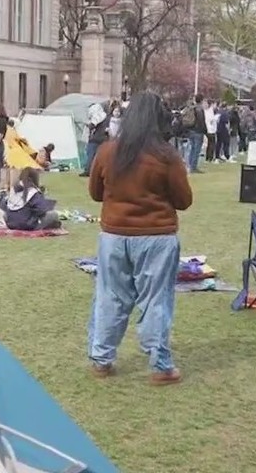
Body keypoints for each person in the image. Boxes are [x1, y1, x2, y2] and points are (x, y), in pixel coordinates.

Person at [87, 91, 192, 385]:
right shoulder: (166, 156)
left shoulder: (108, 151)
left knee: (109, 297)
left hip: (114, 235)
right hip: (156, 237)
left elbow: (96, 193)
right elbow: (183, 200)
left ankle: (102, 359)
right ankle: (160, 365)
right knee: (155, 300)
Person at [80, 101, 109, 177]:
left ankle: (88, 170)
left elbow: (92, 125)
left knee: (90, 155)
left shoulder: (97, 115)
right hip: (104, 138)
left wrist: (87, 124)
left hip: (95, 138)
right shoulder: (105, 116)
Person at [181, 94, 207, 173]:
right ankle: (193, 167)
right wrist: (205, 131)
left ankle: (189, 165)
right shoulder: (200, 109)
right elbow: (201, 121)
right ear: (202, 100)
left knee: (192, 148)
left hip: (191, 130)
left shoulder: (192, 108)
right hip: (198, 131)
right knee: (196, 150)